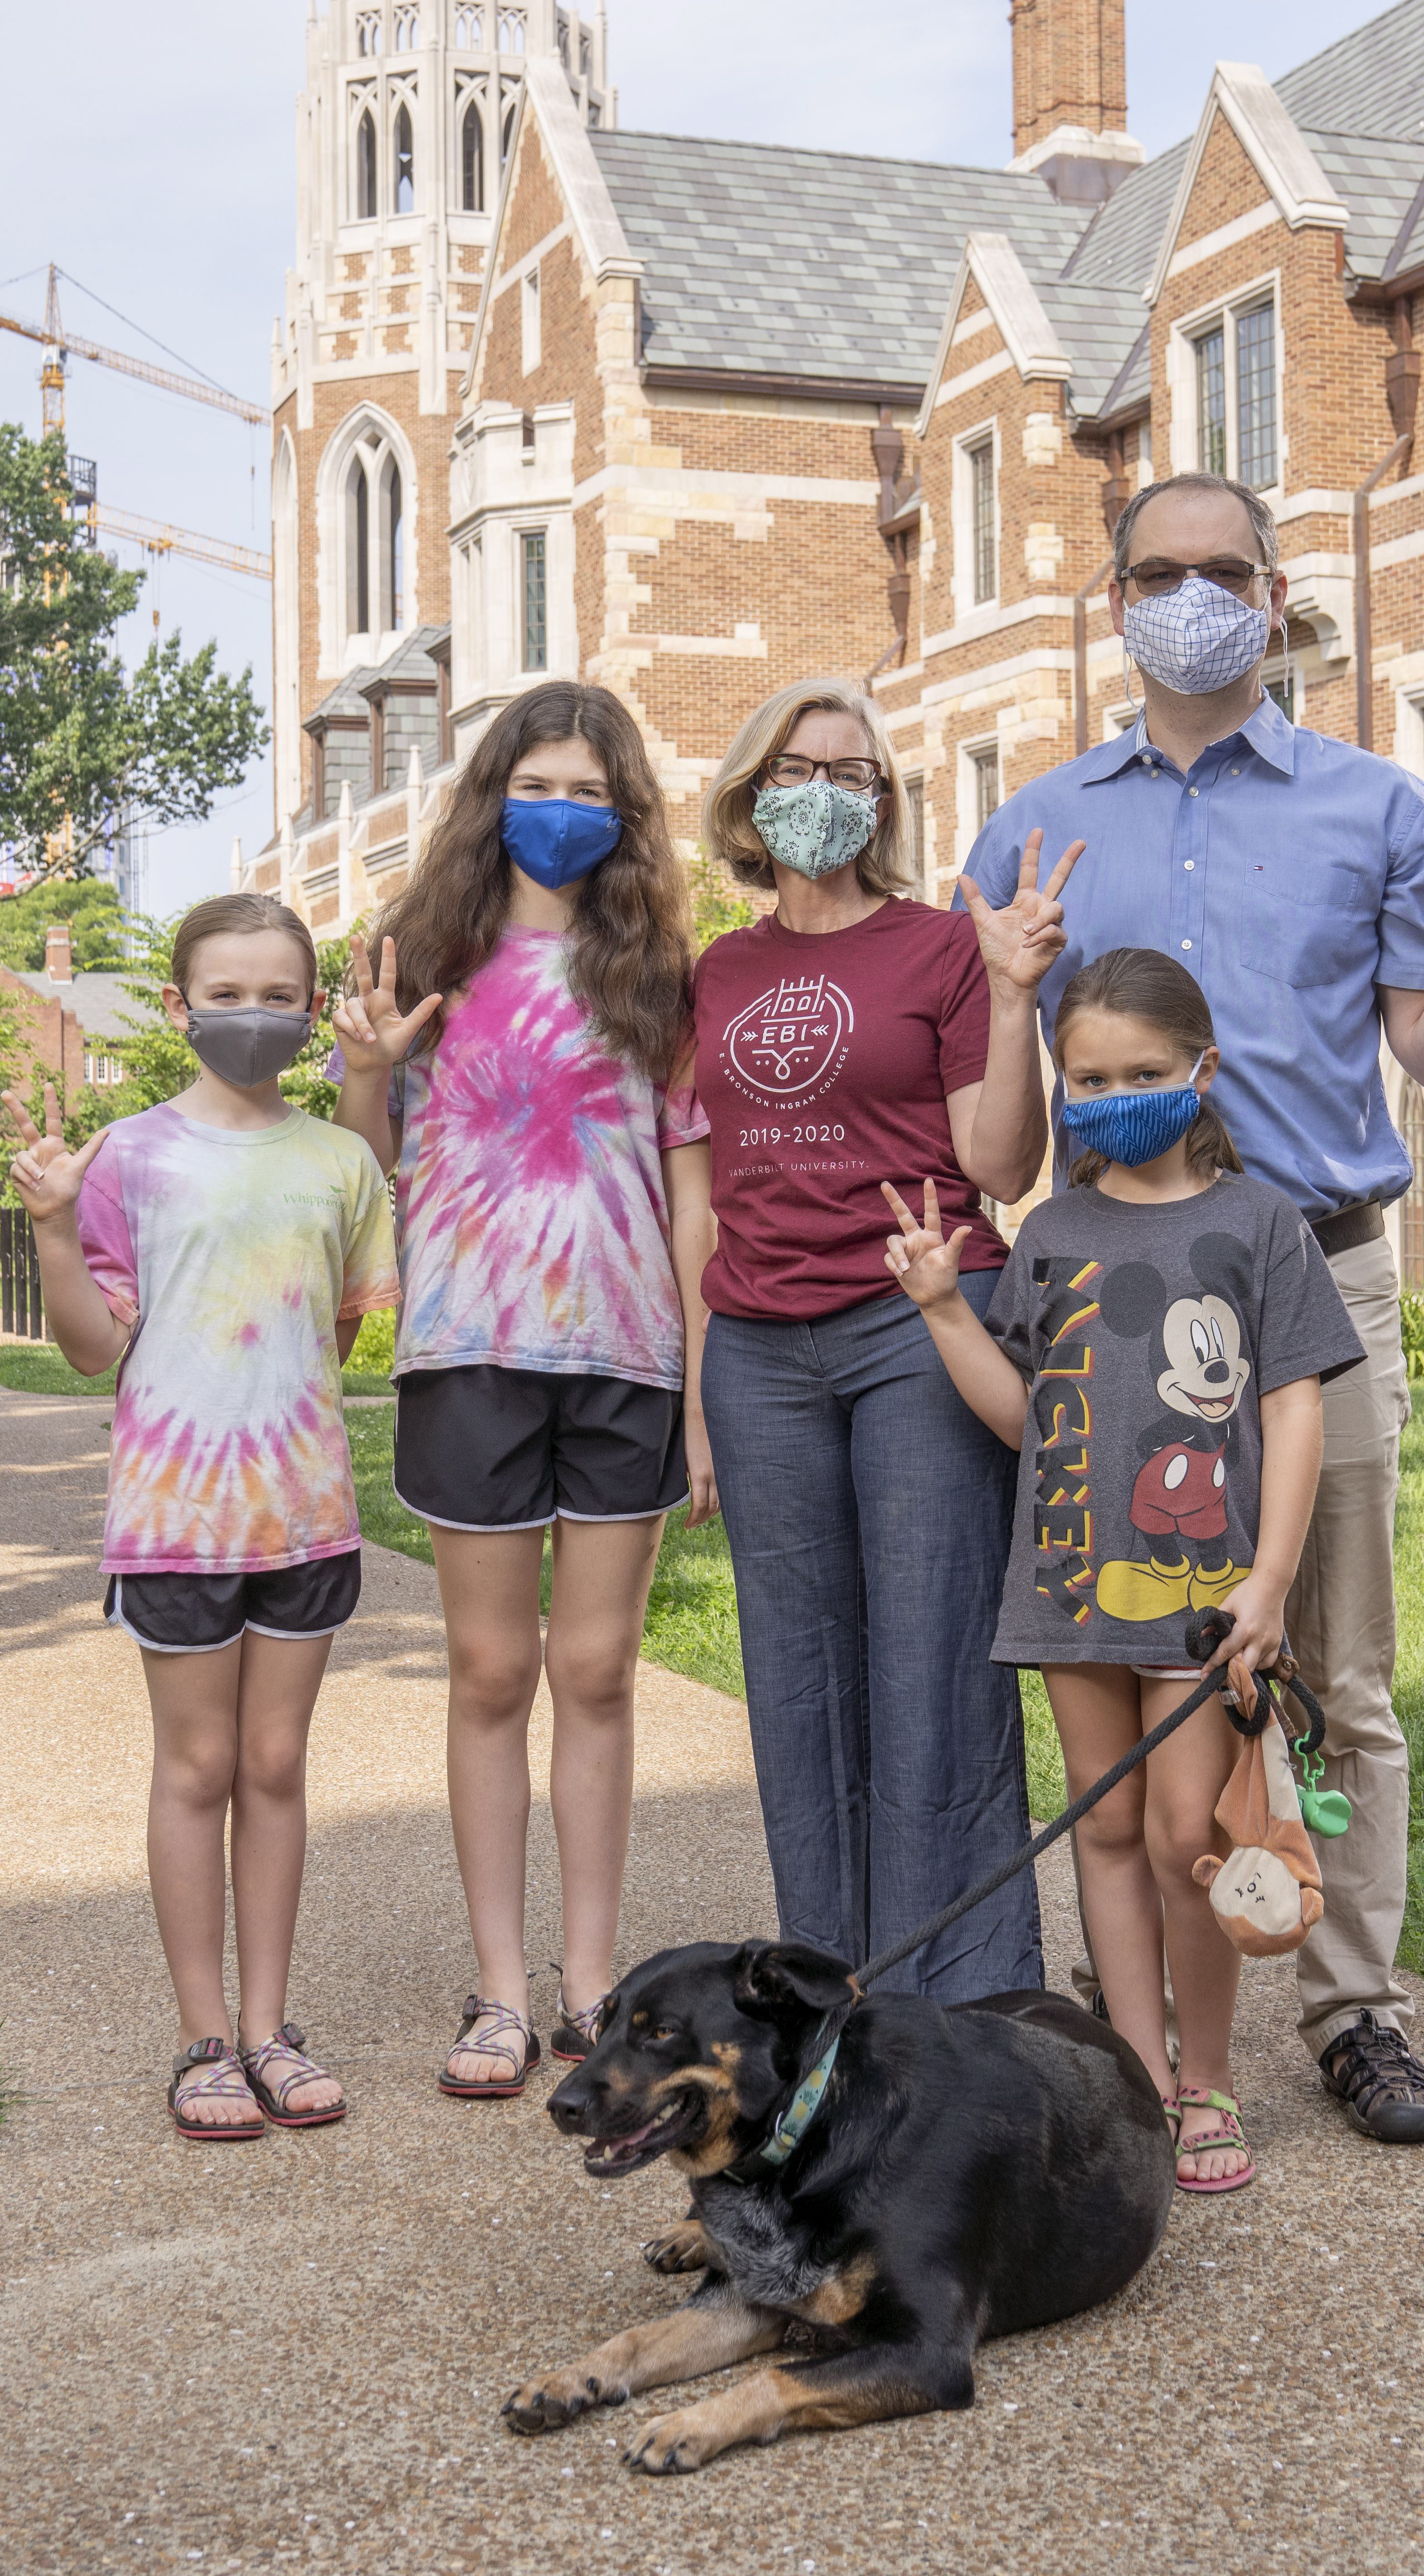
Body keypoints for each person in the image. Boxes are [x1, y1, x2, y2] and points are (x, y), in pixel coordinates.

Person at [963, 470, 1424, 2148]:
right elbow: (1009, 1128)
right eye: (1161, 573)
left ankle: (1356, 2012)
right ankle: (1159, 2042)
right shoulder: (1033, 827)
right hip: (1110, 1294)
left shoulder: (1372, 804)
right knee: (1134, 1637)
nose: (1194, 595)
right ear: (1119, 601)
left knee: (1340, 1671)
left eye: (1225, 571)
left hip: (1319, 1267)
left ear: (1273, 592)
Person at [879, 948, 1363, 2196]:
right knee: (1101, 1827)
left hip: (1206, 1608)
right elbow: (1023, 1418)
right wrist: (941, 1309)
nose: (1113, 1096)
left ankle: (1211, 2080)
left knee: (1180, 1837)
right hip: (1069, 1590)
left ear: (1202, 1073)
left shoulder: (1261, 1227)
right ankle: (1139, 2081)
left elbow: (1298, 1415)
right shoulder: (1052, 1233)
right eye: (1088, 1079)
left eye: (1143, 1073)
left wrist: (1270, 1583)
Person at [329, 678, 708, 2096]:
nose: (561, 811)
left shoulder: (658, 978)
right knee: (492, 1672)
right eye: (536, 785)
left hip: (624, 1357)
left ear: (623, 816)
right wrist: (367, 1074)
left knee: (596, 1671)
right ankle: (498, 1987)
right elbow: (365, 1169)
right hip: (469, 1350)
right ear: (493, 796)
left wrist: (699, 1384)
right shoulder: (421, 954)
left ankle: (594, 1983)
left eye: (588, 792)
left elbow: (691, 1197)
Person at [678, 674, 1078, 2002]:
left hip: (919, 1323)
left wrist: (1016, 995)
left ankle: (960, 2000)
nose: (823, 796)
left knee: (936, 1663)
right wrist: (694, 1398)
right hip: (758, 1350)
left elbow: (1000, 1163)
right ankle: (831, 1995)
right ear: (749, 794)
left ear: (886, 803)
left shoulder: (940, 948)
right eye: (797, 769)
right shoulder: (714, 975)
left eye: (853, 775)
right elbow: (697, 1190)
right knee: (797, 1684)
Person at [10, 891, 398, 2143]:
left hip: (306, 1518)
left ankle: (274, 2027)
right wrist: (55, 1231)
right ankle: (204, 2038)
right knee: (198, 1768)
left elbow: (341, 1327)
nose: (251, 1015)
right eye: (224, 994)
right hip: (176, 1522)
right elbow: (89, 1353)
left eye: (277, 994)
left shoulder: (344, 1162)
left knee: (277, 1768)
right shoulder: (127, 1156)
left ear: (311, 1008)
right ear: (180, 1007)